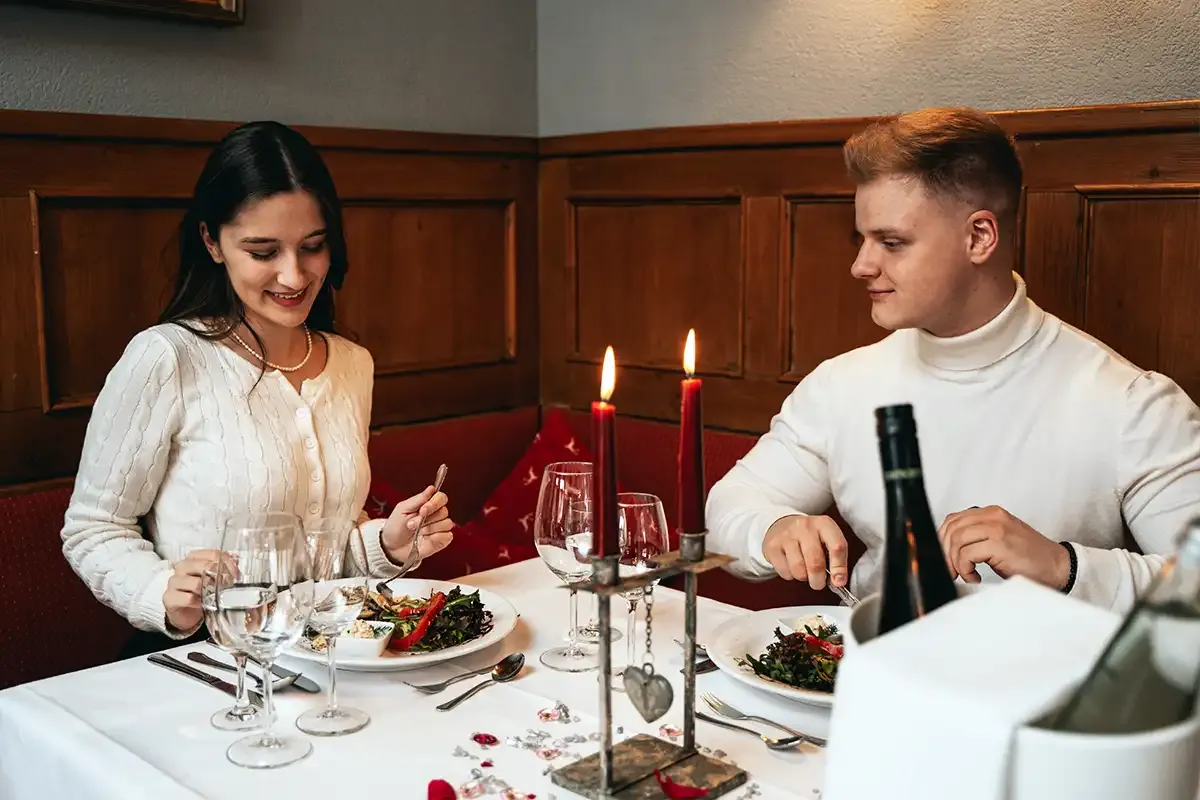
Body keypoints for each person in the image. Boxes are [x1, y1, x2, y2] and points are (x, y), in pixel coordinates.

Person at [706, 107, 1200, 613]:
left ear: (979, 237)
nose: (860, 266)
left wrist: (1064, 567)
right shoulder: (841, 385)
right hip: (869, 656)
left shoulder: (1132, 404)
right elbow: (729, 506)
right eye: (863, 240)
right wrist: (772, 529)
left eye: (892, 242)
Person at [61, 121, 454, 654]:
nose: (294, 276)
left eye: (312, 246)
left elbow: (321, 553)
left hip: (327, 654)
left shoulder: (352, 365)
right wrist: (161, 592)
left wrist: (385, 543)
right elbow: (93, 528)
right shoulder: (166, 357)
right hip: (206, 657)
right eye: (263, 252)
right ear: (212, 242)